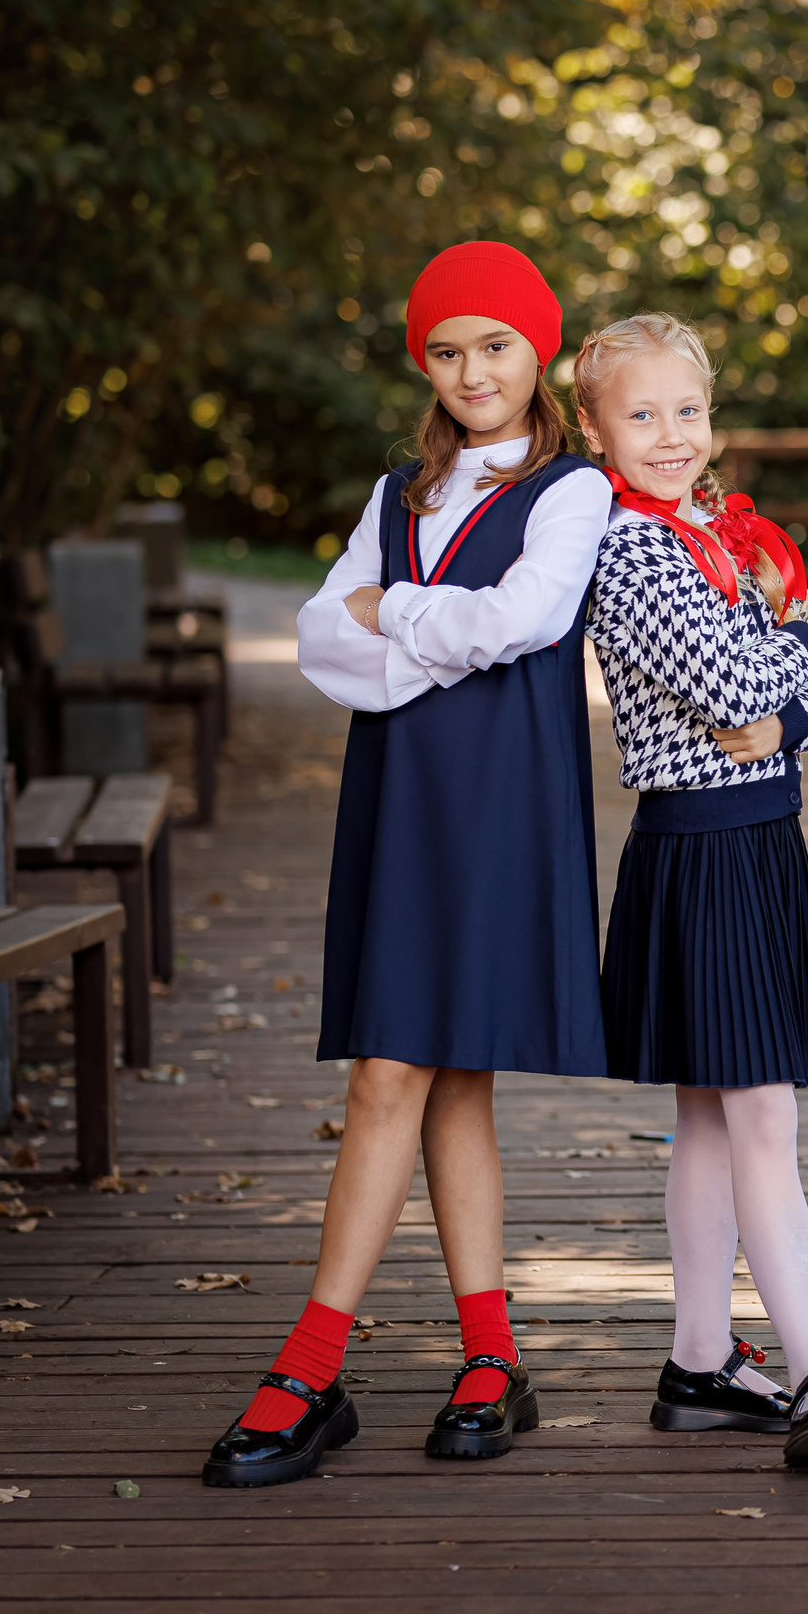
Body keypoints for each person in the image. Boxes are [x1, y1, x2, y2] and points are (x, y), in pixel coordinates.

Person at [206, 242, 613, 1487]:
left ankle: (311, 1365)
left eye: (495, 345)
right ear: (421, 365)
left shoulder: (571, 489)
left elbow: (523, 621)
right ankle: (490, 1356)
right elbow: (322, 637)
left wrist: (397, 617)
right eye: (446, 351)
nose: (472, 370)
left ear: (536, 349)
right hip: (399, 803)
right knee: (427, 1074)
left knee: (415, 1066)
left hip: (500, 802)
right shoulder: (398, 494)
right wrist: (402, 626)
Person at [574, 313, 808, 1468]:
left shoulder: (709, 533)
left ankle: (700, 1360)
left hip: (761, 836)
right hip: (698, 848)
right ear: (595, 431)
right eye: (640, 415)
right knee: (761, 1115)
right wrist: (799, 656)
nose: (670, 434)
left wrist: (790, 689)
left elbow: (801, 688)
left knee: (709, 1113)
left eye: (686, 411)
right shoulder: (631, 549)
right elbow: (738, 676)